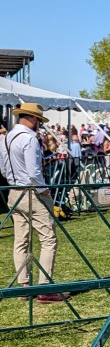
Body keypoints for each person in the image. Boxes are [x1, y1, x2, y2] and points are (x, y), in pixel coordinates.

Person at [0, 103, 70, 302]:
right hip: (32, 192)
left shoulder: (6, 138)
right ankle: (45, 288)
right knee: (48, 239)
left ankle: (25, 287)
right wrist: (44, 191)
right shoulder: (29, 138)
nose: (39, 124)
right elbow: (33, 172)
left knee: (21, 240)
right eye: (39, 120)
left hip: (14, 192)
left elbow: (3, 170)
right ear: (32, 118)